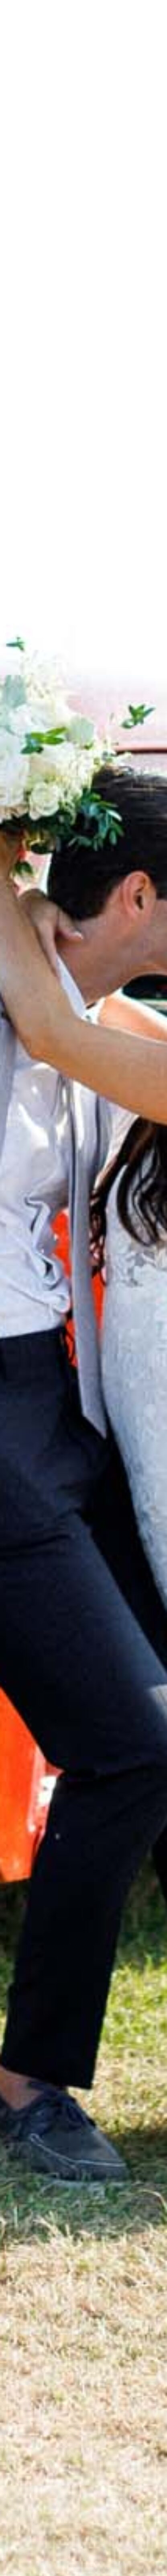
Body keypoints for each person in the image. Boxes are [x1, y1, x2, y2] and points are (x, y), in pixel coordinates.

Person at [1, 771, 167, 2179]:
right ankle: (29, 2090)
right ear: (136, 898)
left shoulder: (102, 1034)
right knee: (137, 1740)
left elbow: (64, 1021)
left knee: (151, 1738)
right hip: (17, 1424)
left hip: (58, 1422)